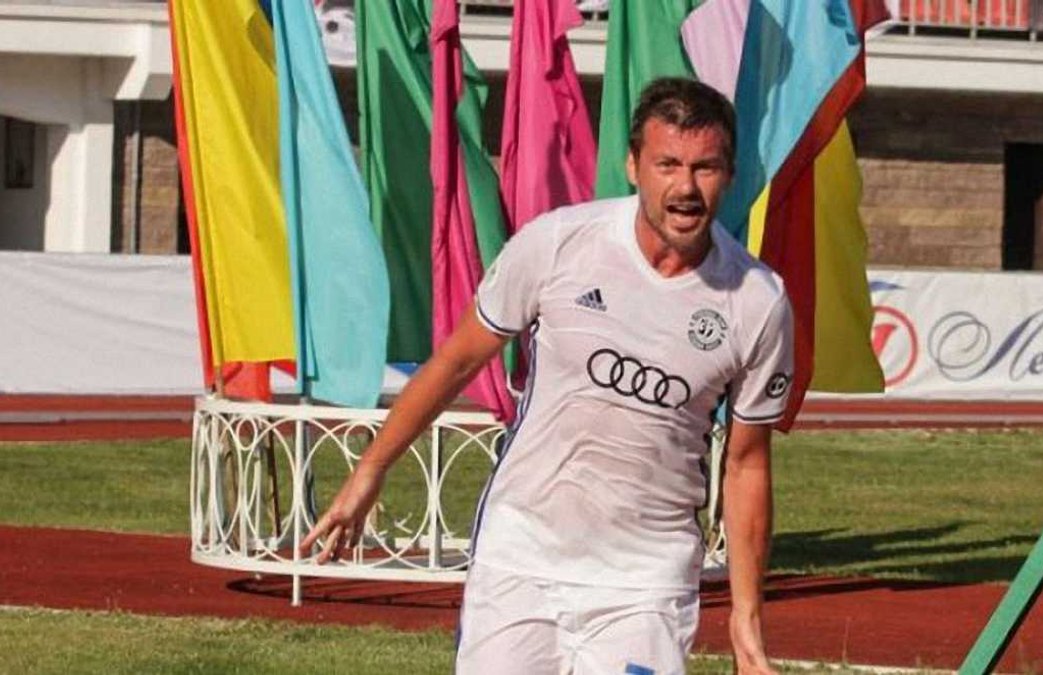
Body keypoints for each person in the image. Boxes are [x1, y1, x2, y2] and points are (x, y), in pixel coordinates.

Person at [300, 77, 794, 675]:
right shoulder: (560, 243)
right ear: (633, 165)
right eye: (667, 164)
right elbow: (456, 361)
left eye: (704, 167)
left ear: (730, 174)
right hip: (522, 554)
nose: (685, 188)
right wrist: (371, 470)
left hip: (645, 579)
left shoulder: (757, 301)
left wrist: (746, 616)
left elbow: (746, 463)